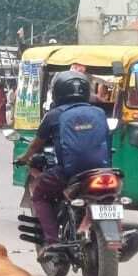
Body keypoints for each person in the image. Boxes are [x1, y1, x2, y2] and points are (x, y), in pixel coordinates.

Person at [14, 71, 110, 255]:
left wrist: (24, 158)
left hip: (69, 173)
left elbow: (36, 145)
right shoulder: (99, 112)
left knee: (40, 194)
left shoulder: (53, 115)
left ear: (57, 92)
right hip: (101, 171)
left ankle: (52, 241)